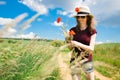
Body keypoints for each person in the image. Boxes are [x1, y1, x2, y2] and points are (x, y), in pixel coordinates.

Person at [66, 5, 97, 80]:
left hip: (87, 60)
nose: (80, 19)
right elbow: (70, 48)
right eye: (78, 17)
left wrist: (77, 44)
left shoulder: (92, 31)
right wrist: (68, 42)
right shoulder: (72, 30)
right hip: (75, 60)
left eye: (83, 16)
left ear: (88, 17)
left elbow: (91, 49)